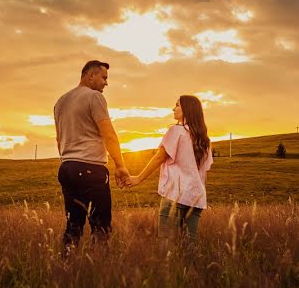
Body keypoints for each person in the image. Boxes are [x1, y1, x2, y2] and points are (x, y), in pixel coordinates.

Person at [54, 60, 130, 253]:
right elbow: (109, 134)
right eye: (104, 78)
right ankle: (98, 272)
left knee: (73, 225)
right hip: (91, 168)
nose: (106, 83)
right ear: (91, 75)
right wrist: (120, 166)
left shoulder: (60, 102)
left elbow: (58, 139)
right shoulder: (94, 97)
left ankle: (66, 268)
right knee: (101, 227)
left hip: (67, 167)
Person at [126, 95, 212, 244]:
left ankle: (170, 268)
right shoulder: (204, 139)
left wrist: (138, 178)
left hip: (175, 195)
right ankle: (191, 268)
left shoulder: (176, 131)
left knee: (166, 244)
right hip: (196, 197)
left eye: (177, 105)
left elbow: (159, 157)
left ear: (187, 109)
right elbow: (204, 171)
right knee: (189, 245)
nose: (174, 108)